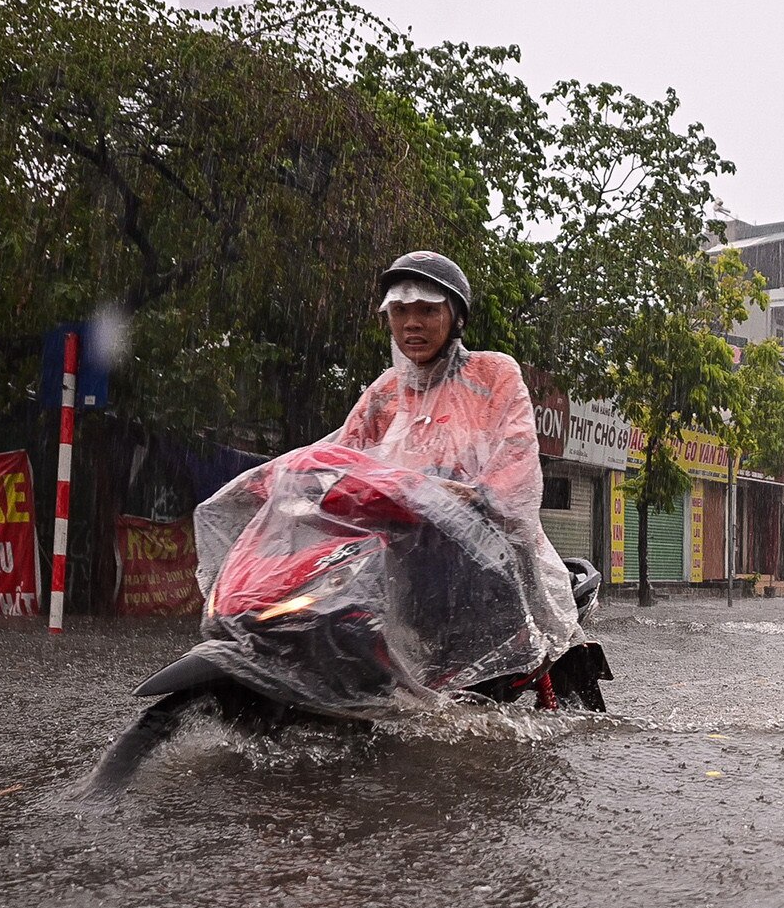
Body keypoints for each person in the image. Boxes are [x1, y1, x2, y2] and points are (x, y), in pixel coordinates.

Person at [193, 250, 579, 679]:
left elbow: (517, 452)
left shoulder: (493, 374)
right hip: (397, 540)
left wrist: (479, 494)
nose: (412, 323)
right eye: (400, 311)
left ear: (456, 318)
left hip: (480, 543)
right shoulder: (384, 392)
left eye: (428, 311)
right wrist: (280, 478)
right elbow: (343, 452)